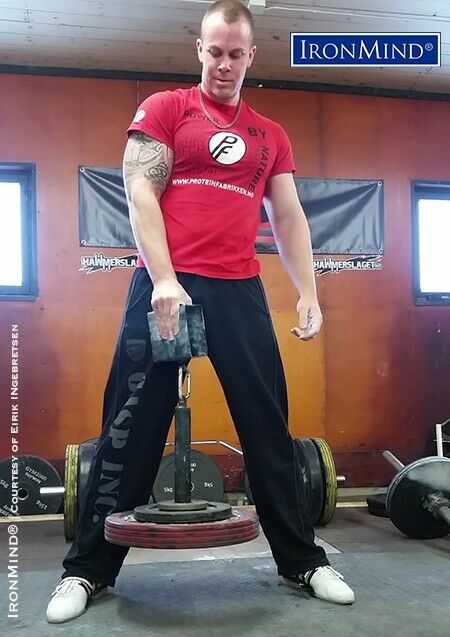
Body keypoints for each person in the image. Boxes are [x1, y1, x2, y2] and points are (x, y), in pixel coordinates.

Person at [46, 0, 355, 624]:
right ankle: (86, 571)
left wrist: (309, 291)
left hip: (238, 288)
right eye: (214, 51)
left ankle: (303, 560)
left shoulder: (271, 135)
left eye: (236, 54)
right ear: (199, 50)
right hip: (166, 284)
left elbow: (288, 215)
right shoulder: (166, 109)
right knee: (129, 427)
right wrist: (163, 277)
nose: (224, 64)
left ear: (251, 56)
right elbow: (139, 189)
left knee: (268, 427)